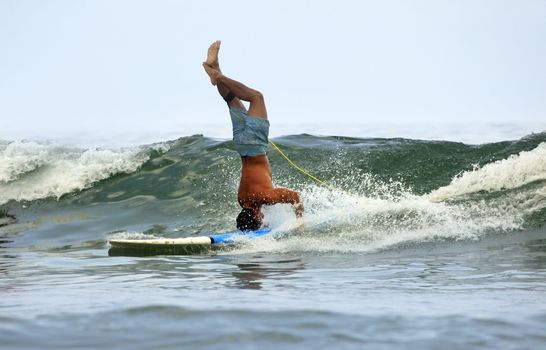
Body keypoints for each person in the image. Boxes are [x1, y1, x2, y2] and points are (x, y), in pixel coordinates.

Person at [202, 40, 303, 231]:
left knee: (256, 97)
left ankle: (217, 76)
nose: (263, 216)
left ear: (256, 215)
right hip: (241, 145)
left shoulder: (263, 198)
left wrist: (300, 221)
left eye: (260, 218)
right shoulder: (243, 200)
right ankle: (214, 66)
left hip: (255, 145)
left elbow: (296, 197)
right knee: (231, 99)